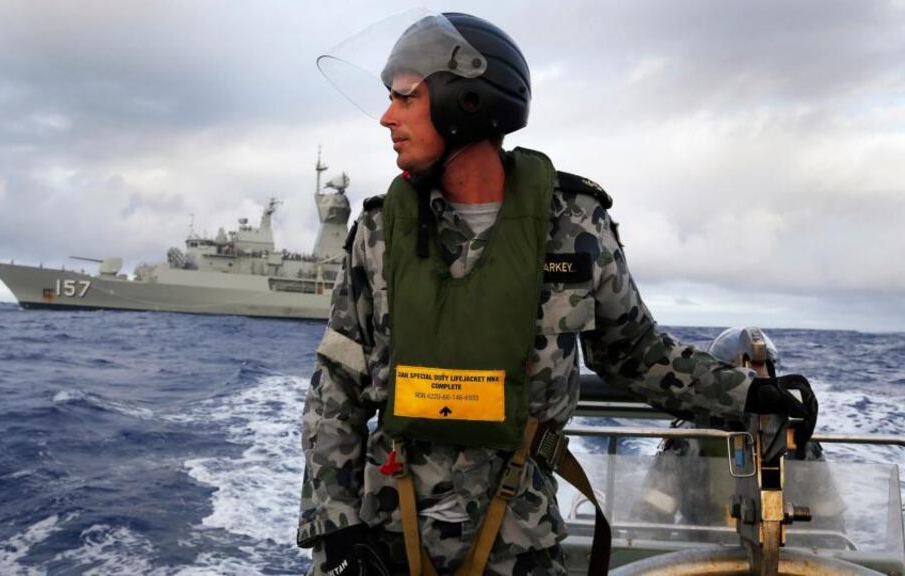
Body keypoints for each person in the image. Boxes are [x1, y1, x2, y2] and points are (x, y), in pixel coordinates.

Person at [299, 11, 818, 575]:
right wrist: (338, 526)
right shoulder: (377, 233)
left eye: (404, 99)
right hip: (385, 539)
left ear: (464, 100)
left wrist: (748, 396)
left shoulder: (575, 225)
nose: (386, 117)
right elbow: (337, 390)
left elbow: (636, 354)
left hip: (518, 542)